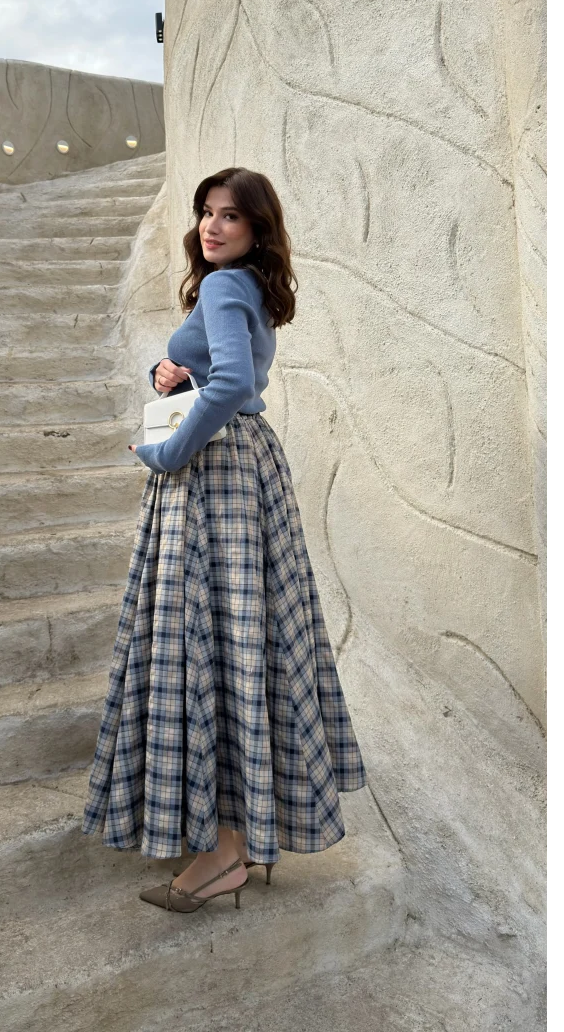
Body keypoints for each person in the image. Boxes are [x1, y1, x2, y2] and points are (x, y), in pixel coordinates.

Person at [81, 166, 367, 913]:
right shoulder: (244, 289)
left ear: (256, 229)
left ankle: (222, 852)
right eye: (206, 212)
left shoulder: (222, 287)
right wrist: (171, 373)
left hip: (213, 475)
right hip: (247, 468)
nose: (212, 226)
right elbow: (220, 375)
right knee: (244, 642)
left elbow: (235, 385)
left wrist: (169, 453)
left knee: (205, 642)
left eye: (230, 216)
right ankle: (235, 841)